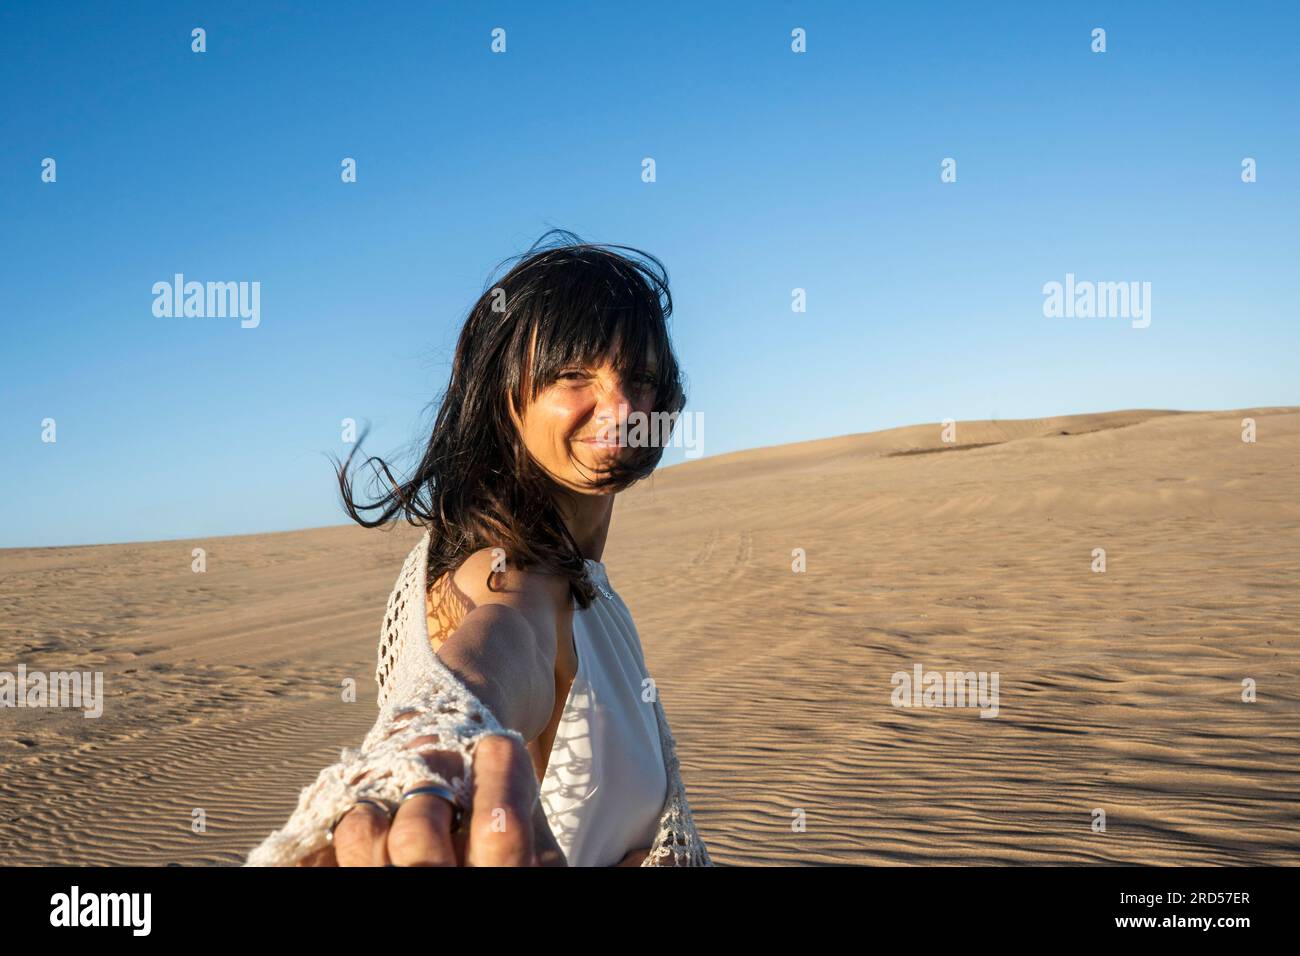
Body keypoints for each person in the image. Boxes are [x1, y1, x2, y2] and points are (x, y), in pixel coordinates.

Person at [244, 229, 710, 867]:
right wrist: (422, 753)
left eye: (642, 378)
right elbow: (490, 656)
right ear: (505, 399)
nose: (621, 406)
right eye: (573, 375)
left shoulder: (586, 583)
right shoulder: (506, 575)